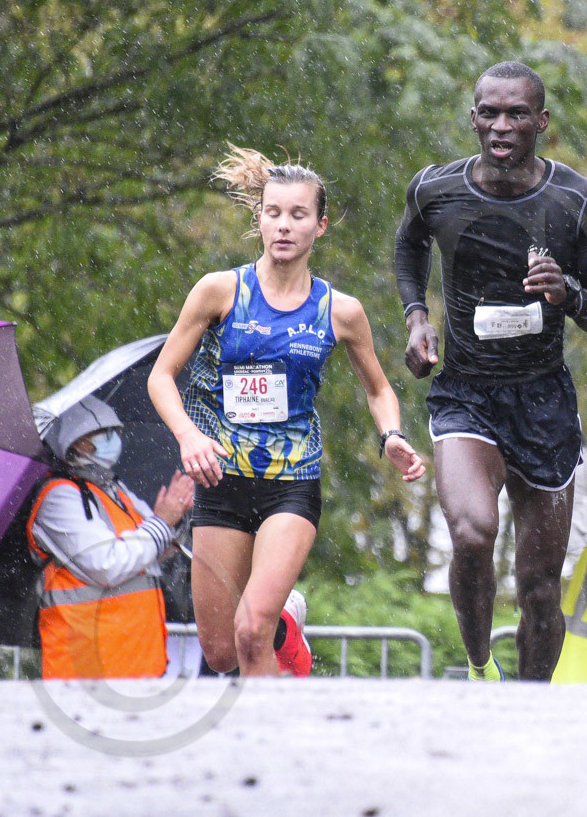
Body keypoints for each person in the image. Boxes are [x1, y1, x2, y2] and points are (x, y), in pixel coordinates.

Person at [150, 147, 425, 677]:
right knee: (221, 651)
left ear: (320, 226)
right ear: (259, 219)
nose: (283, 225)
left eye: (298, 215)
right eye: (273, 213)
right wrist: (188, 436)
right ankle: (285, 625)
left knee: (250, 630)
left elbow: (378, 388)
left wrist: (391, 434)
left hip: (291, 481)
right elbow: (161, 377)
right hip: (221, 479)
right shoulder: (219, 291)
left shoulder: (340, 311)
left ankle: (276, 716)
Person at [394, 61, 587, 681]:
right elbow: (409, 246)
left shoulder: (579, 201)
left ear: (541, 122)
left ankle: (531, 704)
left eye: (516, 114)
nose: (502, 126)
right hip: (466, 394)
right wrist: (417, 317)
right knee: (472, 534)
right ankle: (480, 667)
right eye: (490, 113)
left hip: (544, 402)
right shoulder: (435, 190)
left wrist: (568, 294)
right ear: (473, 119)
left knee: (539, 586)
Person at [26, 396, 196, 679]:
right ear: (75, 443)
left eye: (115, 431)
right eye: (102, 433)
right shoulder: (59, 497)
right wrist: (163, 521)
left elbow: (154, 547)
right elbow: (107, 565)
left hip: (136, 664)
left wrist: (175, 517)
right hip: (85, 669)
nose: (113, 439)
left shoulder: (114, 489)